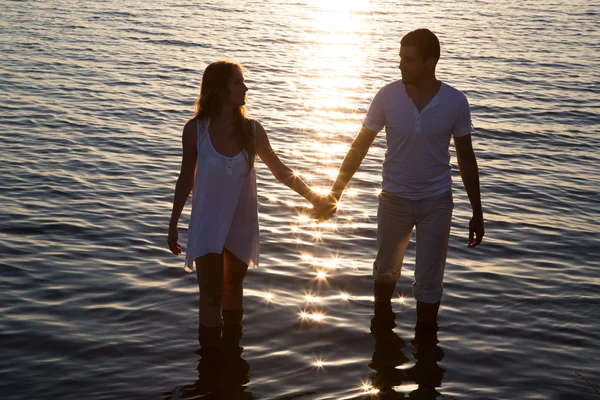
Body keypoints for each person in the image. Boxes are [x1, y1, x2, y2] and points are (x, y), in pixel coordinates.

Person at [314, 28, 484, 345]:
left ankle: (425, 347)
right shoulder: (387, 96)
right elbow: (359, 146)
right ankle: (382, 332)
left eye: (409, 59)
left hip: (436, 202)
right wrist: (335, 192)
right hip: (393, 199)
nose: (401, 65)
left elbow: (466, 158)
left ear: (430, 62)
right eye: (400, 58)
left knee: (430, 281)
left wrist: (477, 211)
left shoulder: (455, 102)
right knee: (384, 272)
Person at [167, 60, 318, 339]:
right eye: (238, 82)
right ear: (220, 89)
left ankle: (233, 351)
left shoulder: (252, 130)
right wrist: (173, 223)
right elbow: (185, 178)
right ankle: (210, 361)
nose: (245, 87)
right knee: (211, 294)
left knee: (233, 288)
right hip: (207, 221)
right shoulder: (195, 130)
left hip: (241, 221)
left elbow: (281, 171)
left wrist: (314, 198)